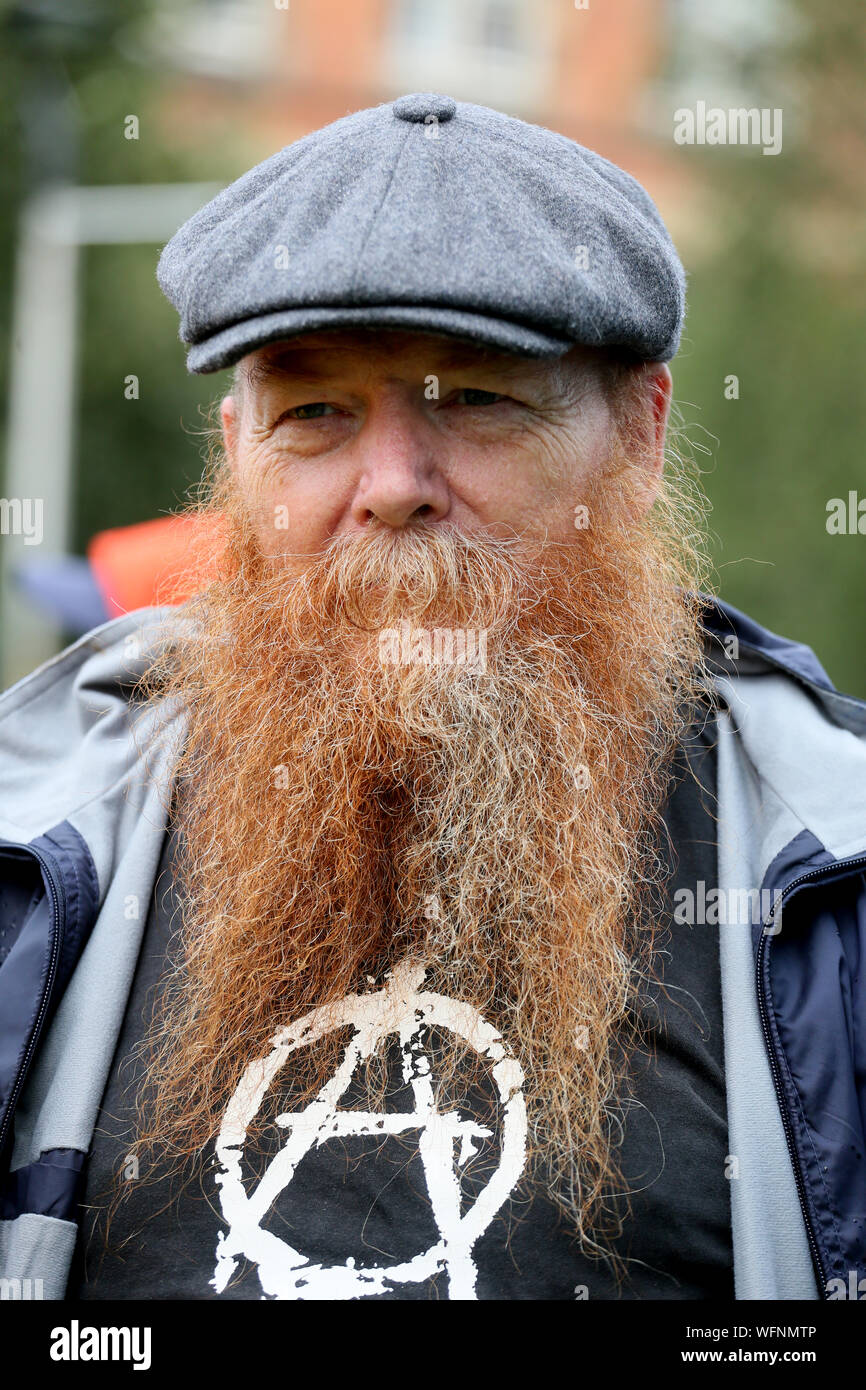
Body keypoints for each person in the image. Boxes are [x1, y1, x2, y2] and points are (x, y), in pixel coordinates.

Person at [0, 93, 863, 1303]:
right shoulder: (33, 850)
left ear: (639, 434)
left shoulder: (835, 881)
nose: (393, 484)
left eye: (476, 399)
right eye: (315, 412)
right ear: (235, 451)